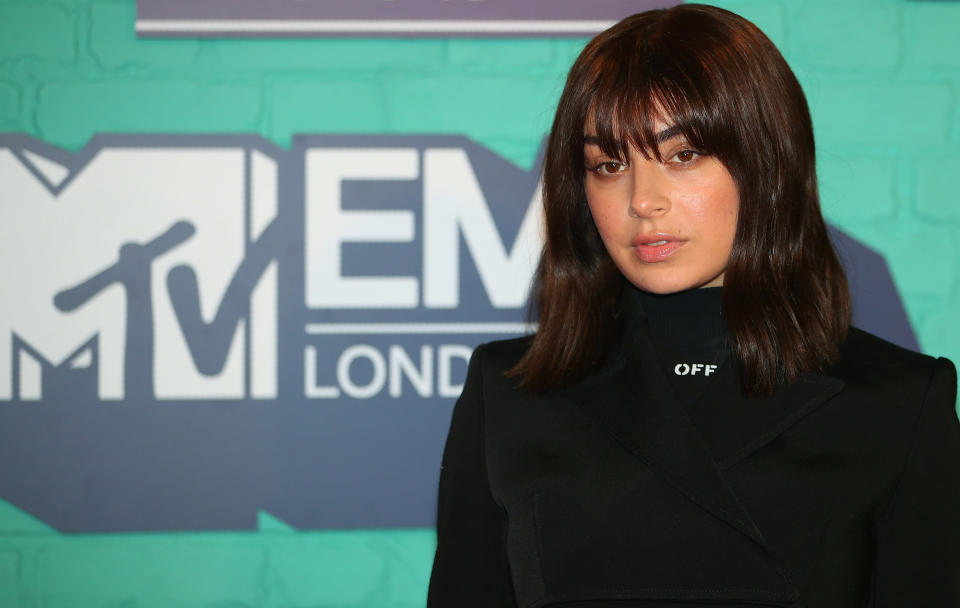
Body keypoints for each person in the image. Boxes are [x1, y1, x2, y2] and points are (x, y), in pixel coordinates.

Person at [427, 4, 960, 607]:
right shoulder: (507, 394)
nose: (642, 200)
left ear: (767, 163)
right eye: (608, 164)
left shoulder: (899, 404)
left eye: (682, 156)